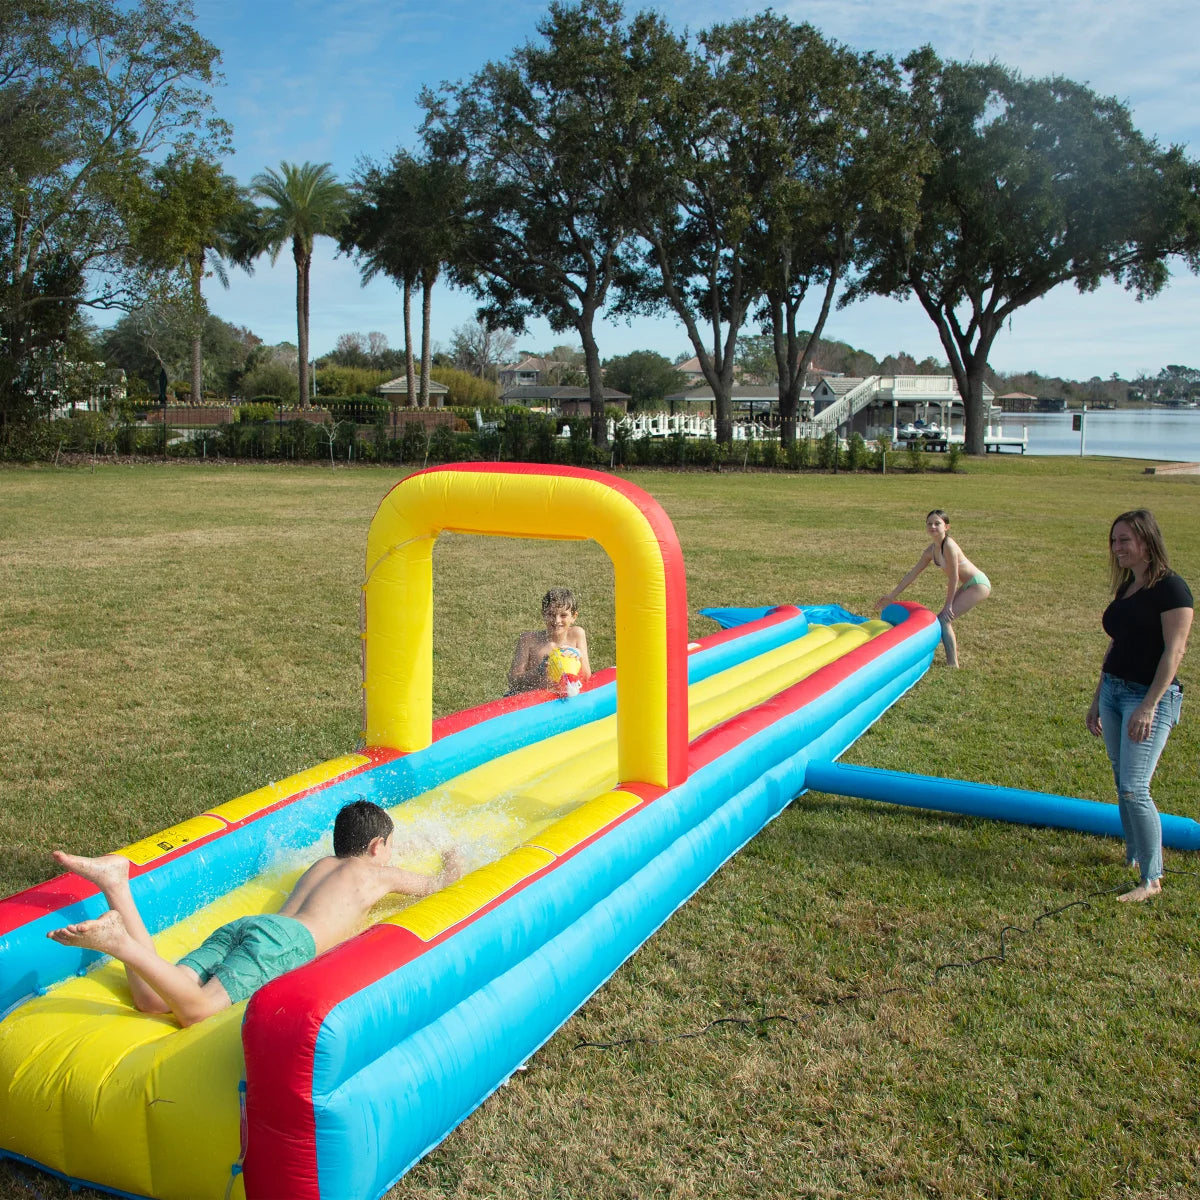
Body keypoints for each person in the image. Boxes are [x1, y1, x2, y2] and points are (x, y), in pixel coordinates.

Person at [46, 800, 463, 1025]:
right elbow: (439, 885)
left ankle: (117, 886)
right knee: (196, 1011)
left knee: (153, 1000)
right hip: (284, 942)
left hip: (249, 928)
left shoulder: (321, 864)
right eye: (390, 846)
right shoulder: (376, 873)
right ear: (376, 847)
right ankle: (118, 942)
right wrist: (453, 856)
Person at [1086, 509, 1192, 903]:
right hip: (1114, 692)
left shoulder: (1172, 589)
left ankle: (1151, 879)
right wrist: (1098, 697)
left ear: (1146, 542)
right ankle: (1133, 855)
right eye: (1114, 540)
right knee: (1122, 780)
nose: (1117, 548)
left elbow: (1174, 652)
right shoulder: (1128, 588)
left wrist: (1149, 706)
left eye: (1124, 540)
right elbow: (1116, 645)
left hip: (1148, 698)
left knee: (1134, 787)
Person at [876, 509, 991, 667]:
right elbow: (912, 574)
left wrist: (948, 605)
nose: (933, 526)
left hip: (978, 584)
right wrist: (892, 595)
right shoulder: (931, 551)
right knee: (942, 620)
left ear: (946, 527)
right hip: (969, 584)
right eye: (929, 524)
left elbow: (954, 577)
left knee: (944, 619)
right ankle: (950, 662)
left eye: (937, 523)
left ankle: (953, 664)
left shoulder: (949, 546)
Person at [506, 586, 592, 694]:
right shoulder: (528, 640)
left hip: (564, 696)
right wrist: (538, 671)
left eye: (563, 615)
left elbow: (586, 676)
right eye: (551, 614)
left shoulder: (577, 634)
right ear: (544, 614)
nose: (557, 620)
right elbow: (513, 681)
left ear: (574, 617)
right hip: (536, 700)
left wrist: (580, 655)